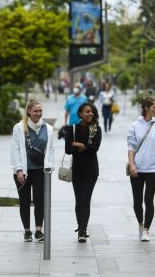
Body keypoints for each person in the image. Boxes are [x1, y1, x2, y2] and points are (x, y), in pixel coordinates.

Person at [11, 99, 55, 242]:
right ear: (29, 111)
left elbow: (51, 149)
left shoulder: (48, 128)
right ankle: (27, 231)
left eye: (40, 111)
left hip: (40, 171)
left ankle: (38, 230)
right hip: (23, 171)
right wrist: (18, 170)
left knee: (39, 200)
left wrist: (49, 167)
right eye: (35, 111)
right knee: (24, 201)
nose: (38, 113)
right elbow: (15, 149)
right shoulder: (19, 127)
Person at [127, 96, 155, 242]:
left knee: (148, 199)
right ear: (147, 108)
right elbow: (131, 146)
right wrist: (131, 164)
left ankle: (147, 229)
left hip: (153, 169)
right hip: (137, 167)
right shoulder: (134, 126)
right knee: (137, 201)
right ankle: (140, 224)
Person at [64, 102, 102, 243]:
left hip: (91, 170)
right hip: (77, 170)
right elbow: (68, 149)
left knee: (85, 199)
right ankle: (80, 227)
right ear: (80, 114)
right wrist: (85, 146)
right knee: (78, 200)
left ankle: (82, 230)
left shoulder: (97, 129)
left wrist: (80, 145)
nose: (90, 113)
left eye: (92, 111)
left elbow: (95, 148)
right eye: (87, 111)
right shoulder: (71, 129)